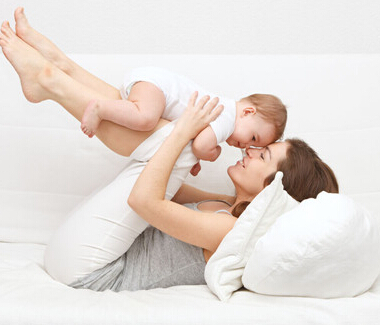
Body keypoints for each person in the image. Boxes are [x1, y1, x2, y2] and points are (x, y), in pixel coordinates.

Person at [0, 9, 339, 291]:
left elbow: (143, 200)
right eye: (255, 145)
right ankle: (62, 70)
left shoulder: (230, 231)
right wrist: (180, 141)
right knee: (164, 136)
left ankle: (52, 82)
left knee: (176, 142)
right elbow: (164, 186)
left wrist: (183, 137)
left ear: (272, 190)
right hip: (79, 252)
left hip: (91, 274)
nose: (248, 151)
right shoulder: (225, 207)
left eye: (262, 153)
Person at [80, 66, 287, 165]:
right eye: (253, 138)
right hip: (157, 88)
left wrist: (193, 162)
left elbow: (191, 137)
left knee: (153, 125)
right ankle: (100, 108)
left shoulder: (226, 115)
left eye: (252, 146)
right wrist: (211, 154)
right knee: (146, 120)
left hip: (151, 84)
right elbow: (200, 146)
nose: (246, 147)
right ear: (248, 112)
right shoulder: (228, 119)